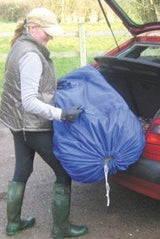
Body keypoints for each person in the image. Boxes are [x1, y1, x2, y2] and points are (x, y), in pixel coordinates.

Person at [0, 7, 88, 239]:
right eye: (46, 32)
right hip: (32, 125)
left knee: (23, 169)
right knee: (63, 172)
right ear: (33, 28)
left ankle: (13, 224)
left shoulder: (20, 44)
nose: (50, 36)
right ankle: (61, 228)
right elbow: (29, 100)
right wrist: (62, 114)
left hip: (16, 123)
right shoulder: (31, 55)